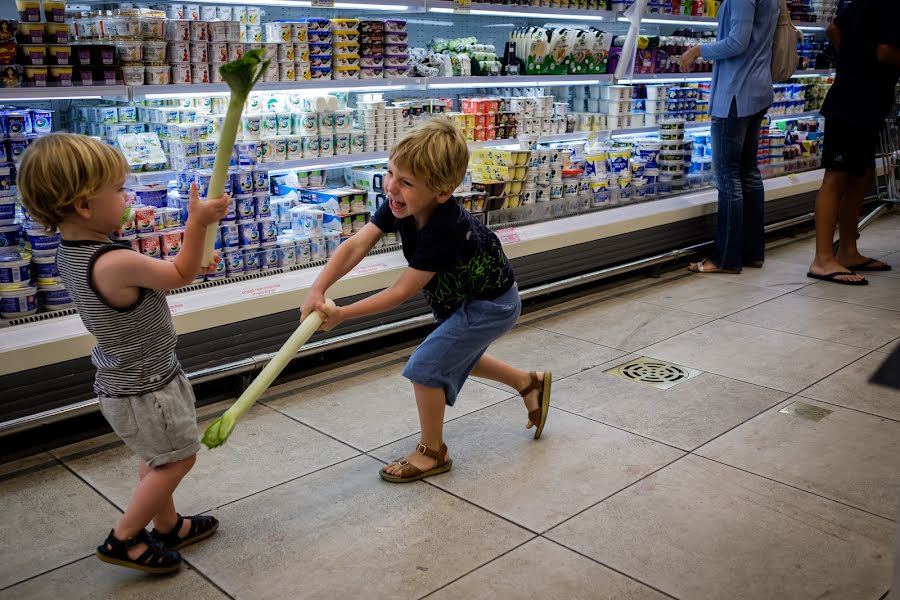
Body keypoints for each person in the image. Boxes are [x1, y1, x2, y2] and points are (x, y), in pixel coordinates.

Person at [17, 134, 230, 574]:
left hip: (130, 380)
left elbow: (155, 278)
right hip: (146, 387)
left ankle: (168, 525)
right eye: (117, 189)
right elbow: (179, 273)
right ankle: (125, 537)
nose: (127, 196)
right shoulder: (110, 260)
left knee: (158, 457)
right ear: (82, 205)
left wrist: (187, 258)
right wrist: (196, 225)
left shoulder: (76, 252)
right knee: (178, 458)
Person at [300, 118, 551, 483]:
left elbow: (401, 292)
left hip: (491, 305)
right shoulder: (401, 204)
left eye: (405, 182)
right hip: (468, 299)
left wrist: (342, 314)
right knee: (453, 355)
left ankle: (433, 452)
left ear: (443, 192)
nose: (391, 188)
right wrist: (317, 289)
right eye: (390, 174)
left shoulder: (445, 231)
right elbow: (357, 244)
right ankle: (529, 383)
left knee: (426, 367)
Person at [679, 0, 780, 273]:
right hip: (758, 89)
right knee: (748, 173)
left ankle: (726, 257)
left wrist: (698, 50)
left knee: (728, 177)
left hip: (735, 93)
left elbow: (737, 42)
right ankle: (752, 252)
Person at [807, 0, 900, 285]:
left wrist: (852, 60)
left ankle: (848, 250)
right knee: (836, 177)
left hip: (866, 99)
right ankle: (822, 258)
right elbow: (886, 52)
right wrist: (859, 67)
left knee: (861, 176)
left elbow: (835, 28)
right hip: (853, 101)